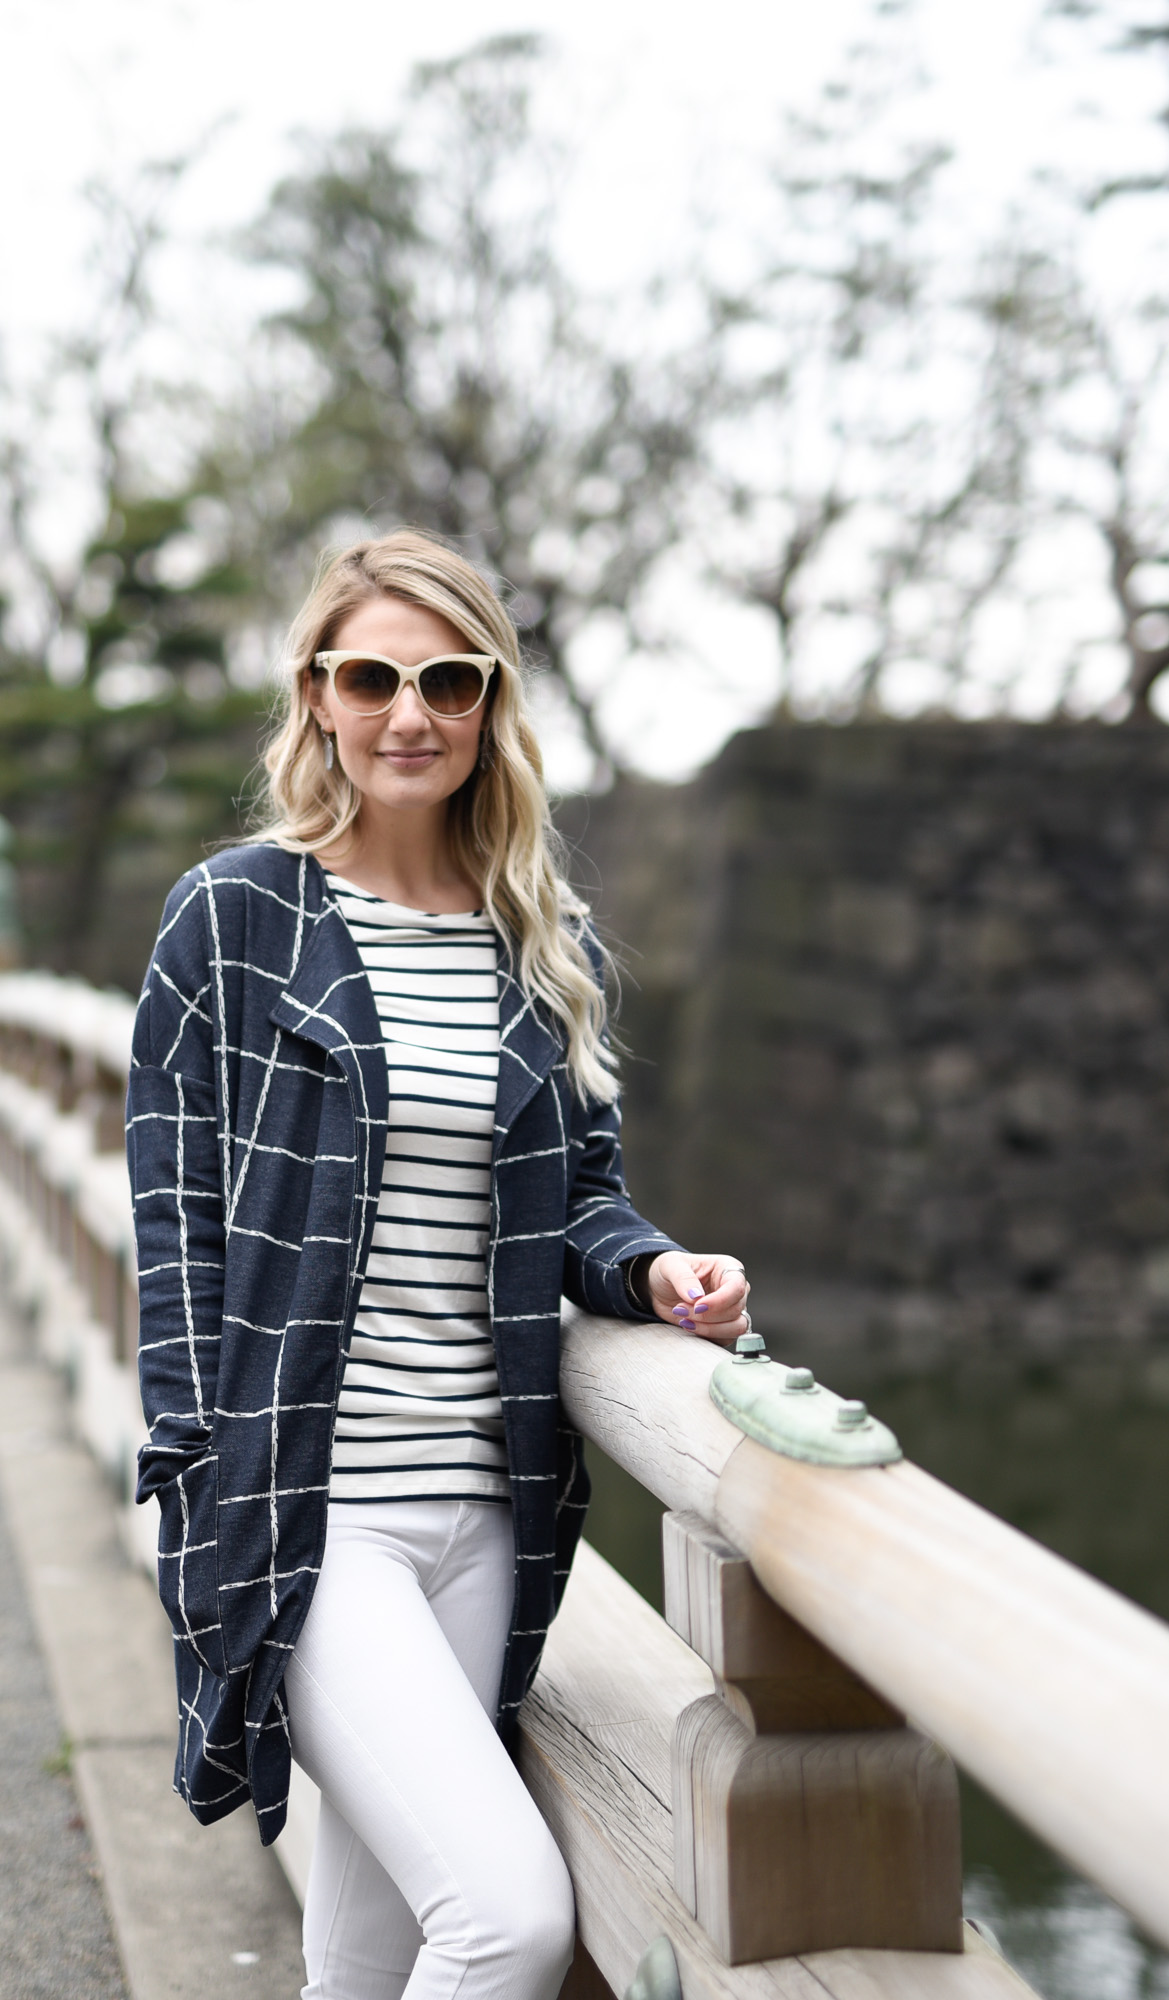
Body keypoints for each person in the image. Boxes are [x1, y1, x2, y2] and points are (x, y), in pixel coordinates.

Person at [124, 530, 751, 2000]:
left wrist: (658, 1273)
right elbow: (174, 1226)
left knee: (373, 1949)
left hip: (489, 1508)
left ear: (489, 707)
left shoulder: (542, 934)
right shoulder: (233, 919)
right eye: (374, 676)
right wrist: (198, 1485)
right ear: (320, 697)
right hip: (315, 1512)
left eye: (448, 680)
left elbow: (582, 1200)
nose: (411, 713)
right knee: (509, 1918)